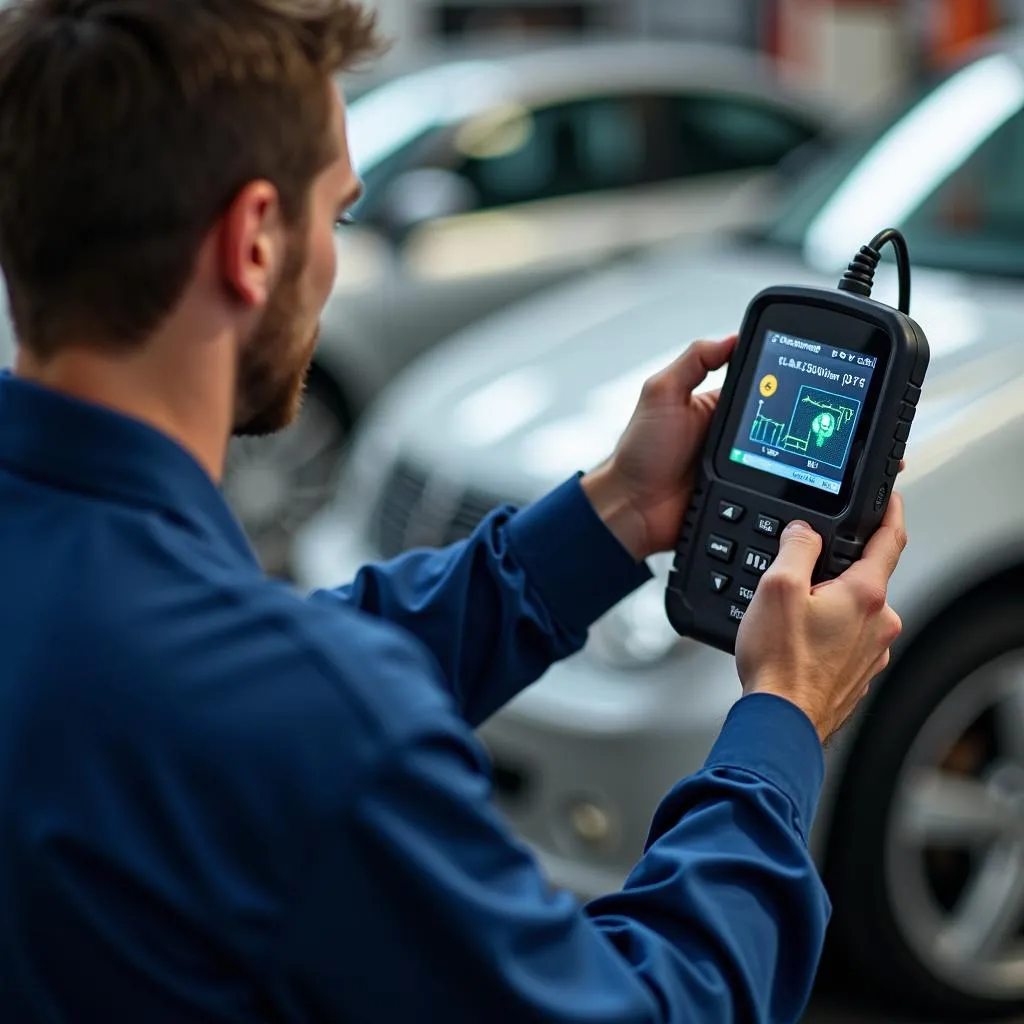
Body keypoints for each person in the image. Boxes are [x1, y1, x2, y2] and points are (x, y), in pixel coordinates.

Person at [0, 1, 906, 1021]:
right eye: (336, 215)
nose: (334, 258)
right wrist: (781, 723)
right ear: (254, 241)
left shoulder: (114, 600)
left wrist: (614, 510)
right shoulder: (318, 727)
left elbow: (259, 667)